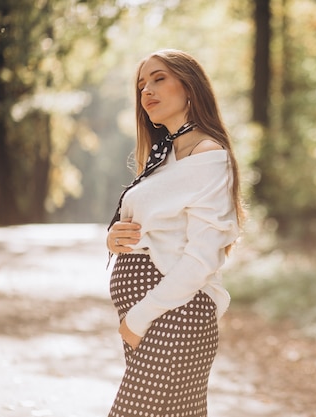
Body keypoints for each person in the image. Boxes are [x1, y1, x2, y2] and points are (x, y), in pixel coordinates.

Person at [105, 49, 244, 417]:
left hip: (174, 318)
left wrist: (139, 317)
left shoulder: (209, 155)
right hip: (159, 320)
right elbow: (156, 229)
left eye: (159, 78)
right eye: (141, 84)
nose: (147, 90)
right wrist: (114, 239)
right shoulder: (163, 159)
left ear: (190, 86)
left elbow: (202, 257)